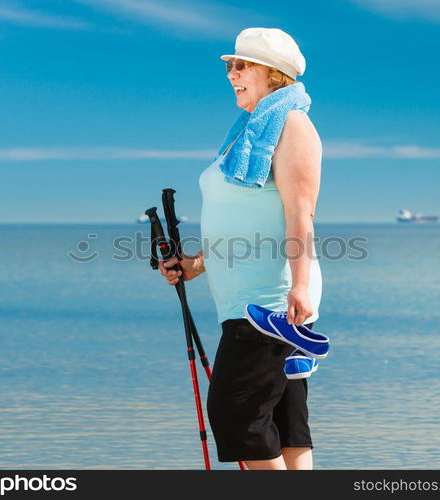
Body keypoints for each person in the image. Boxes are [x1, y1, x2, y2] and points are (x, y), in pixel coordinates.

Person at [159, 27, 323, 470]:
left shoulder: (292, 125)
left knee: (237, 414)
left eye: (242, 64)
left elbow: (299, 215)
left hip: (269, 302)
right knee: (286, 422)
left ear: (274, 74)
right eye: (230, 65)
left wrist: (301, 288)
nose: (232, 73)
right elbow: (245, 224)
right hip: (244, 295)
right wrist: (195, 264)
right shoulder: (247, 133)